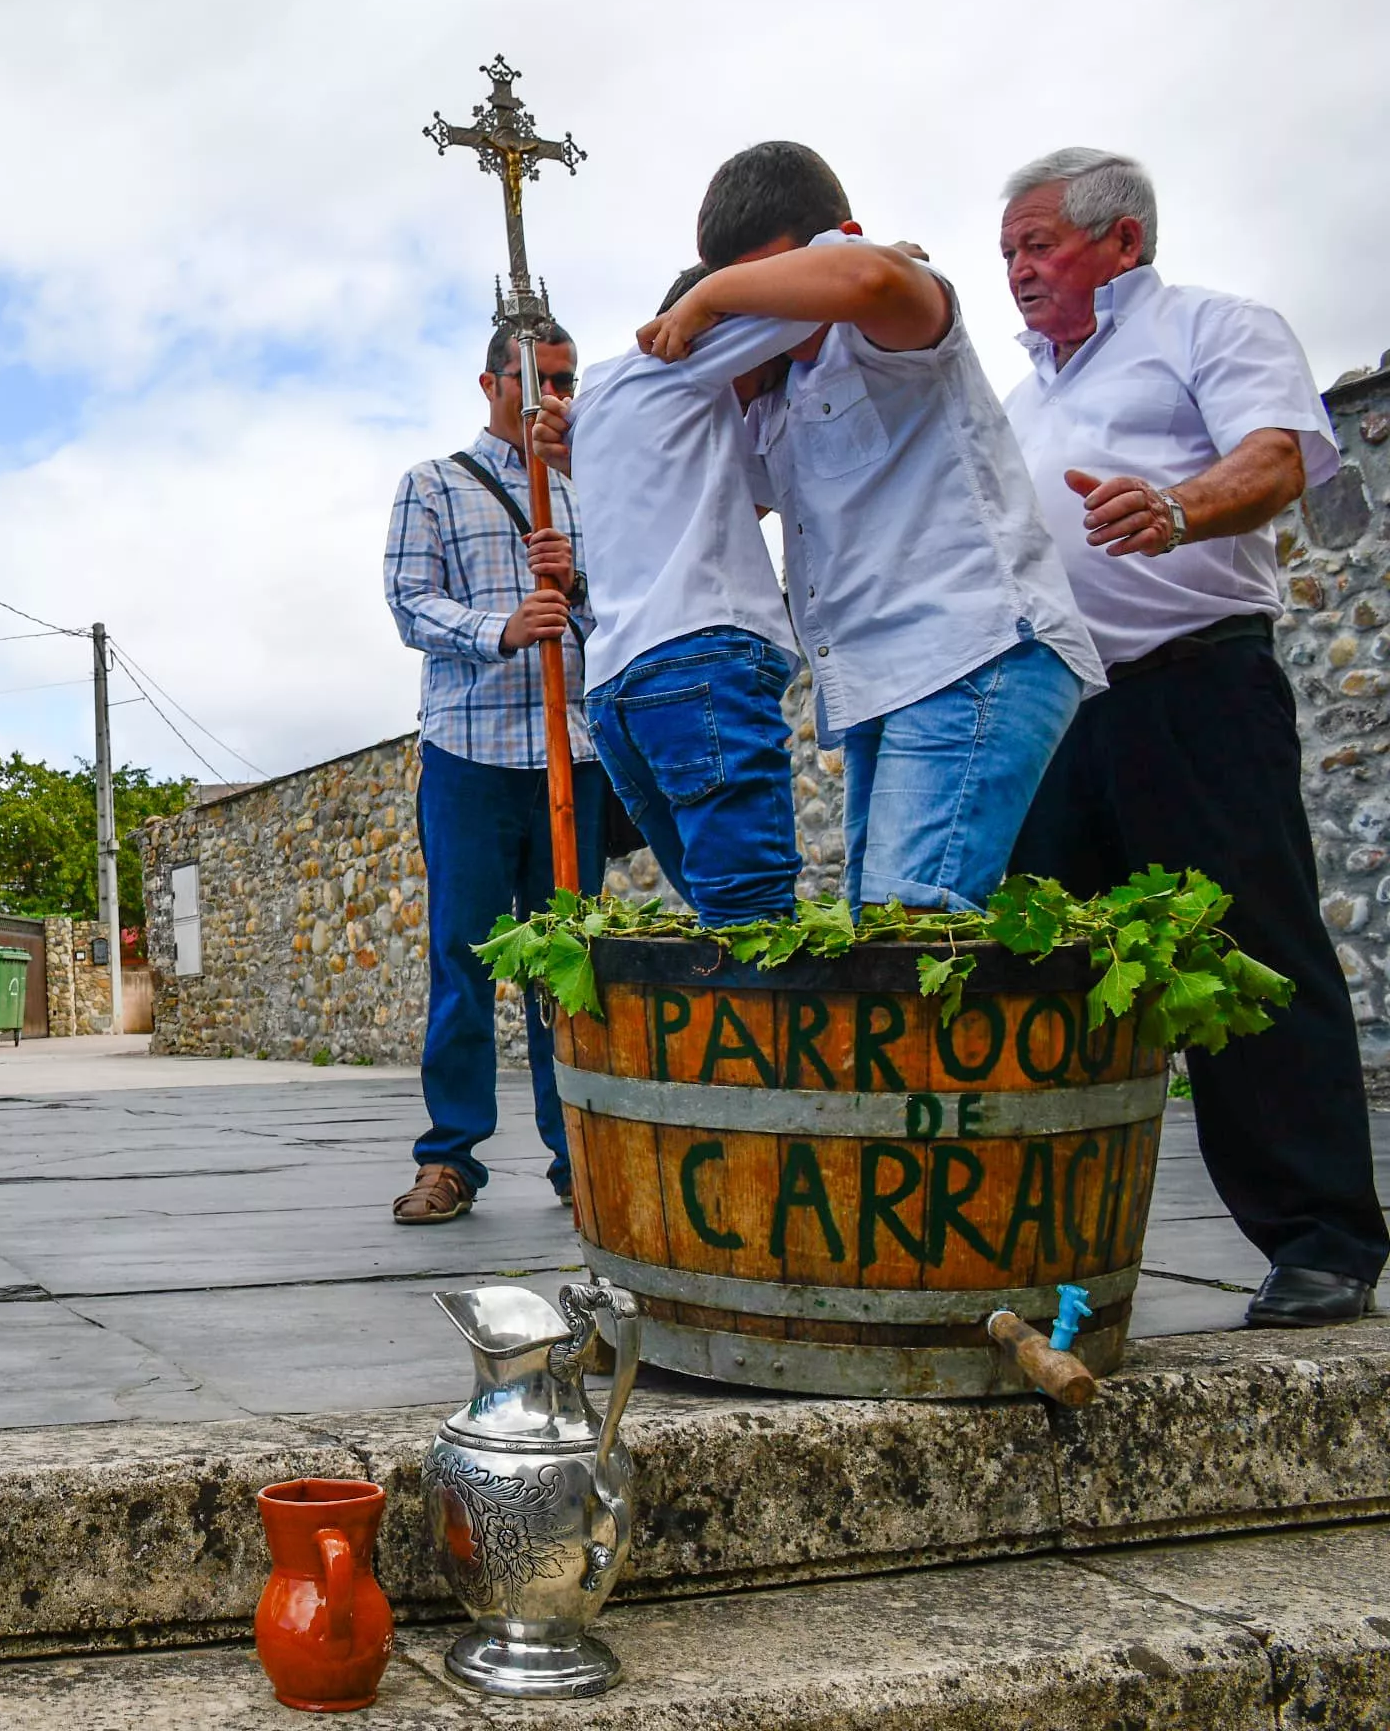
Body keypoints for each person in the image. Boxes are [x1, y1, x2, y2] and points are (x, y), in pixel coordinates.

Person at [997, 147, 1387, 1329]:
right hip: (1061, 712)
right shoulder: (1023, 398)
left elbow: (1273, 456)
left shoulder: (1215, 327)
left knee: (1247, 955)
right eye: (1008, 249)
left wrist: (1177, 509)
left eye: (1039, 243)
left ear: (1122, 241)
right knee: (1046, 975)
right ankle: (1049, 1251)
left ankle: (1321, 1237)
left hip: (1199, 689)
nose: (1017, 269)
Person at [639, 142, 1104, 911]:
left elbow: (871, 277)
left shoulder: (892, 319)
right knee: (879, 943)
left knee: (906, 933)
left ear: (842, 238)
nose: (764, 312)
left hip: (973, 657)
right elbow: (702, 504)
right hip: (884, 687)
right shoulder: (778, 402)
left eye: (772, 281)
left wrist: (711, 295)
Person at [382, 321, 606, 1224]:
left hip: (571, 756)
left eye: (562, 381)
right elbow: (409, 602)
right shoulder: (433, 485)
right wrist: (501, 629)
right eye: (533, 380)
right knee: (464, 960)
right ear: (489, 383)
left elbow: (639, 595)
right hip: (471, 753)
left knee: (571, 966)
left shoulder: (593, 488)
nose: (549, 397)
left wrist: (580, 585)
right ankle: (451, 1159)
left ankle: (579, 1157)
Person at [555, 273, 813, 927]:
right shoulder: (689, 360)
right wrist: (890, 260)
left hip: (617, 691)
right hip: (701, 664)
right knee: (754, 924)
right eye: (769, 370)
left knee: (719, 917)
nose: (766, 392)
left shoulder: (606, 395)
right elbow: (834, 287)